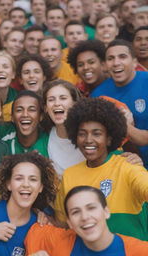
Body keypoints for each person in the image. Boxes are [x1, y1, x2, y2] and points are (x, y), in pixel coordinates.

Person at [54, 98, 148, 241]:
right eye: (82, 133)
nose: (88, 140)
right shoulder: (69, 175)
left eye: (97, 133)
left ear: (109, 138)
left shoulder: (128, 165)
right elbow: (62, 225)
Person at [26, 186, 148, 255]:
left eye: (91, 208)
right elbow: (31, 230)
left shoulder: (140, 251)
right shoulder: (59, 241)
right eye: (76, 212)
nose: (85, 217)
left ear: (106, 211)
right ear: (69, 222)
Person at [91, 39, 148, 168]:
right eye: (110, 58)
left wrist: (123, 125)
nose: (116, 63)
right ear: (105, 65)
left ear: (134, 62)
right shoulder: (98, 95)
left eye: (122, 57)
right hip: (124, 167)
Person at [42, 79, 85, 177]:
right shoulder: (43, 139)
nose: (57, 103)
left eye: (63, 98)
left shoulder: (89, 134)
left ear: (74, 103)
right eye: (51, 99)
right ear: (45, 108)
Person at [0, 90, 49, 156]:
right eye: (19, 110)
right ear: (12, 117)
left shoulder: (49, 141)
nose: (25, 115)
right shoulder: (2, 134)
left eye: (32, 110)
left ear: (41, 116)